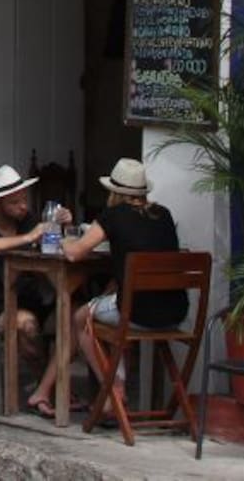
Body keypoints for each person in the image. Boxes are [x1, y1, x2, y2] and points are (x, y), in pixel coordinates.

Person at [62, 157, 186, 419]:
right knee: (113, 303)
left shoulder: (113, 216)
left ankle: (114, 387)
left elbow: (75, 253)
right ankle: (113, 395)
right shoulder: (164, 214)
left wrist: (61, 236)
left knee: (81, 317)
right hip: (175, 313)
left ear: (114, 192)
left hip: (137, 315)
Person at [0, 163, 74, 418]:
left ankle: (47, 389)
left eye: (24, 199)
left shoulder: (28, 220)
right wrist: (28, 238)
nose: (23, 206)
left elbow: (53, 242)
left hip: (34, 297)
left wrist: (65, 225)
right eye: (15, 203)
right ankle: (54, 391)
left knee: (76, 314)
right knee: (25, 325)